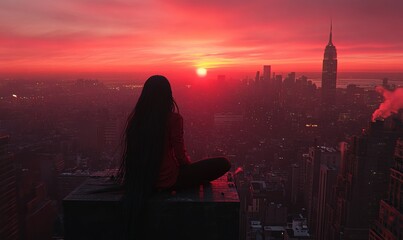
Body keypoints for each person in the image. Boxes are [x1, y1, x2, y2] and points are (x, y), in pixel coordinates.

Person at [117, 75, 230, 238]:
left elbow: (131, 157)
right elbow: (180, 154)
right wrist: (189, 169)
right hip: (169, 180)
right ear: (167, 95)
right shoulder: (173, 119)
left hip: (142, 182)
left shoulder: (135, 120)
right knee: (223, 163)